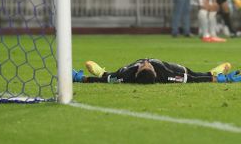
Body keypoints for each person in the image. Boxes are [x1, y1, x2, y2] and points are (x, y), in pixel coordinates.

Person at [72, 60, 241, 84]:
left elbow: (105, 83)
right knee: (193, 73)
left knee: (111, 76)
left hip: (122, 71)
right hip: (175, 67)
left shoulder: (128, 74)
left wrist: (81, 78)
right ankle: (214, 73)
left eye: (144, 65)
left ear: (138, 72)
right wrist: (223, 80)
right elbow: (193, 80)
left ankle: (102, 71)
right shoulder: (167, 74)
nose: (146, 62)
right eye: (147, 65)